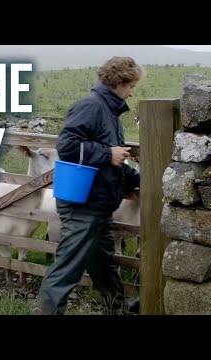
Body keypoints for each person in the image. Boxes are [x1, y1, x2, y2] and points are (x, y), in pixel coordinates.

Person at [34, 56, 145, 315]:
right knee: (68, 267)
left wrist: (143, 179)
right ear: (118, 82)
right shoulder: (91, 106)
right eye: (131, 86)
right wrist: (108, 153)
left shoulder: (110, 113)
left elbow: (113, 163)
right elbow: (67, 146)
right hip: (82, 205)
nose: (132, 92)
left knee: (103, 265)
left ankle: (115, 309)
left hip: (98, 206)